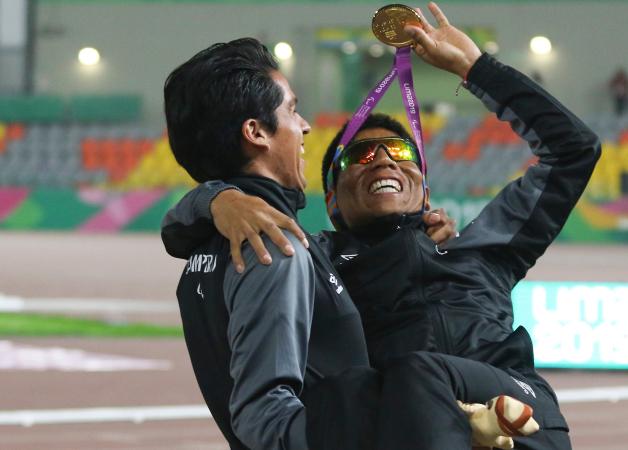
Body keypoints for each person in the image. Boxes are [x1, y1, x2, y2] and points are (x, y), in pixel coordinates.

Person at [163, 3, 601, 449]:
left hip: (518, 413)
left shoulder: (483, 251)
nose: (385, 159)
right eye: (360, 156)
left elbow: (574, 151)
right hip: (413, 425)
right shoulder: (320, 265)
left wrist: (474, 67)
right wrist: (219, 198)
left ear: (424, 188)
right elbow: (185, 238)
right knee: (410, 382)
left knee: (418, 374)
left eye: (400, 152)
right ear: (332, 200)